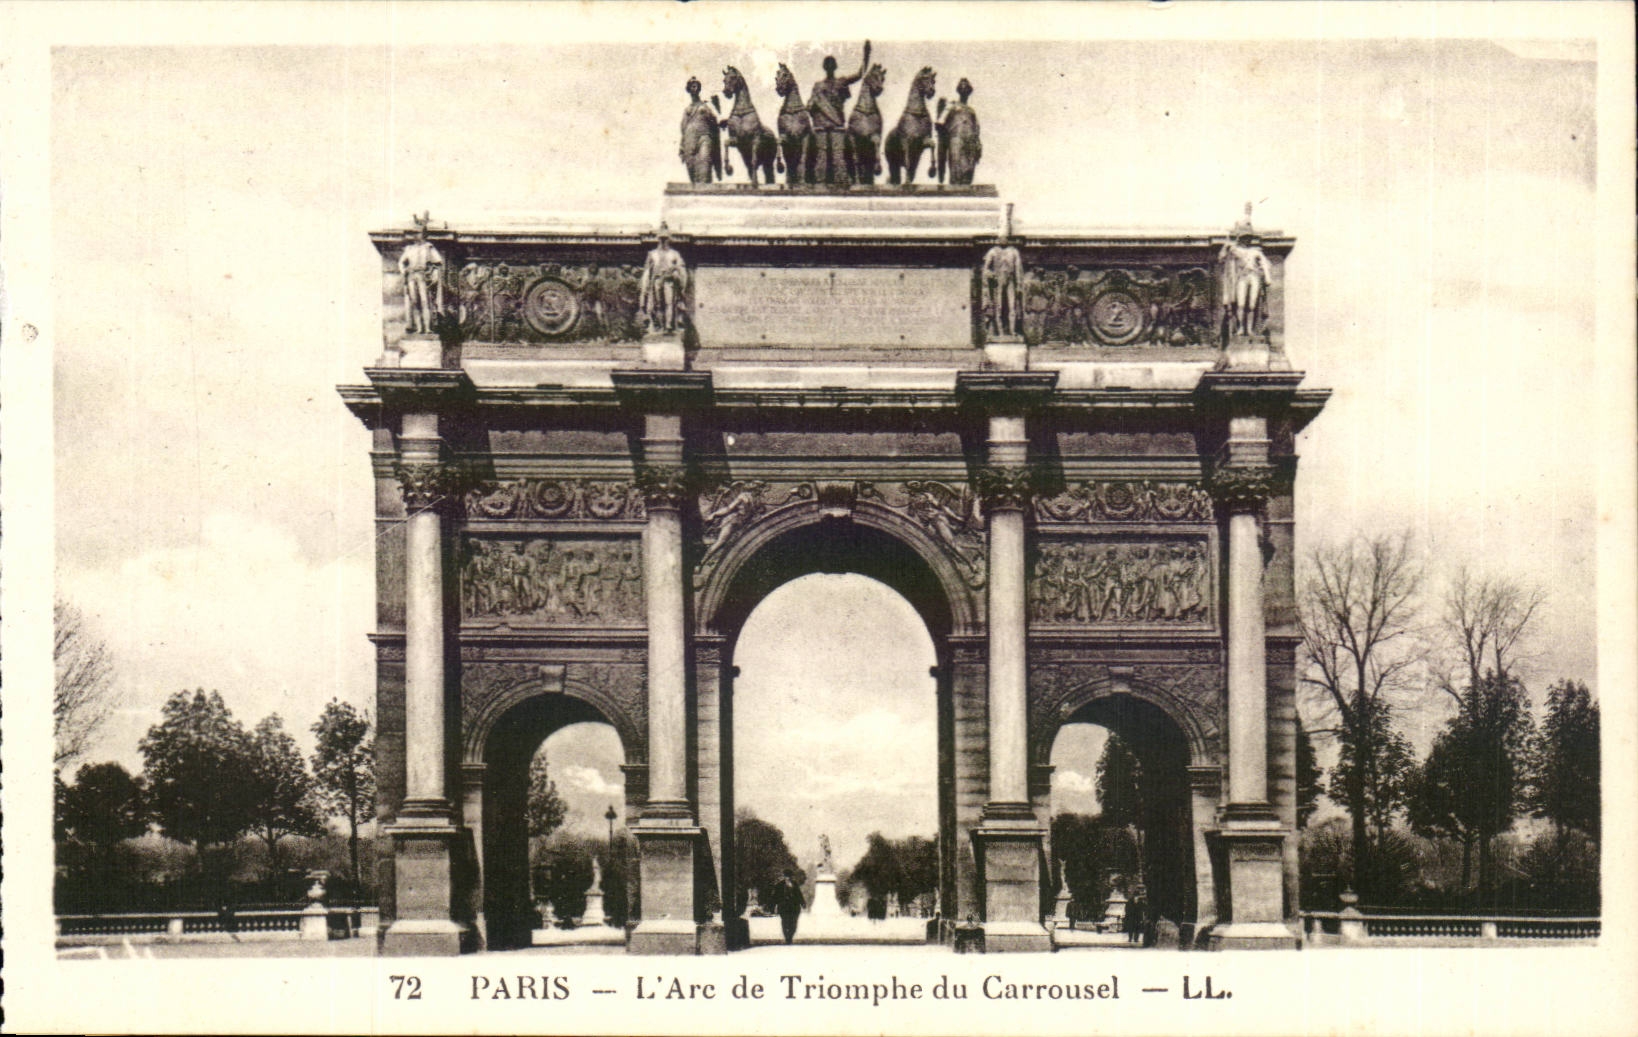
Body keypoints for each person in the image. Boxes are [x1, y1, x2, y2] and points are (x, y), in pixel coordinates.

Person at [808, 41, 871, 185]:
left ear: (835, 67)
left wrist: (866, 56)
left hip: (837, 126)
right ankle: (820, 182)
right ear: (825, 68)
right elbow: (811, 105)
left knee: (838, 156)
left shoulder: (841, 82)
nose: (830, 67)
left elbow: (860, 74)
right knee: (821, 156)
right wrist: (812, 106)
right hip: (821, 127)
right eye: (828, 65)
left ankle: (840, 182)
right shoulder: (818, 86)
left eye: (832, 65)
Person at [771, 869, 806, 945]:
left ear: (791, 877)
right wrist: (773, 906)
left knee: (794, 923)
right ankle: (787, 937)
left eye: (790, 876)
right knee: (785, 922)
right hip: (783, 907)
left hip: (794, 907)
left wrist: (803, 903)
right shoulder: (779, 885)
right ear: (784, 876)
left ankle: (790, 936)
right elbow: (775, 897)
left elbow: (799, 894)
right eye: (787, 876)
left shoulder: (795, 884)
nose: (788, 878)